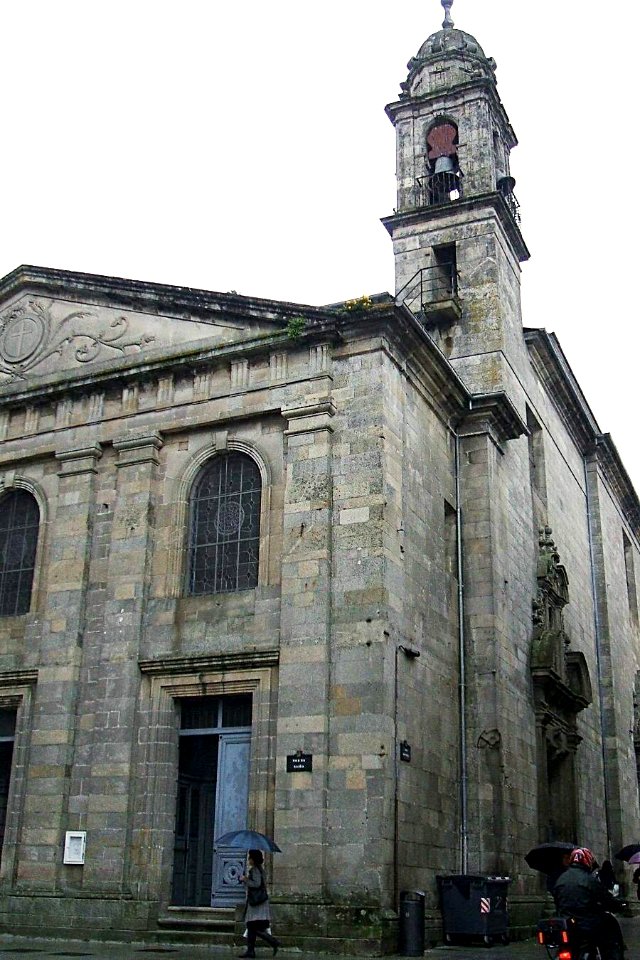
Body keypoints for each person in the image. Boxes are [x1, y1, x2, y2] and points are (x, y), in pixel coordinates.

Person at [553, 847, 625, 960]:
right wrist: (617, 905)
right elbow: (606, 899)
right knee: (610, 926)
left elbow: (557, 900)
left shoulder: (560, 879)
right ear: (587, 861)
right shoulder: (589, 880)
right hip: (587, 924)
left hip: (566, 923)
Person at [238, 849, 280, 958]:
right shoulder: (260, 869)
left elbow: (256, 884)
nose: (248, 859)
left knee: (254, 927)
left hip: (256, 903)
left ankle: (273, 942)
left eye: (250, 857)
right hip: (259, 901)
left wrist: (245, 879)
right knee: (252, 926)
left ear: (253, 859)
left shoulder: (255, 870)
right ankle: (250, 951)